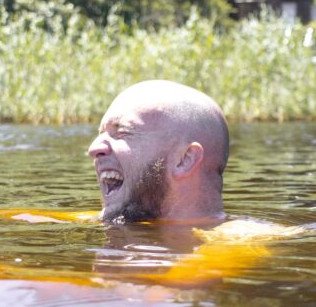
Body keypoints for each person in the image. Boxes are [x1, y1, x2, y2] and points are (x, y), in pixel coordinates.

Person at [87, 80, 229, 224]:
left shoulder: (234, 244)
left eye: (123, 132)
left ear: (185, 159)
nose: (93, 149)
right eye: (101, 133)